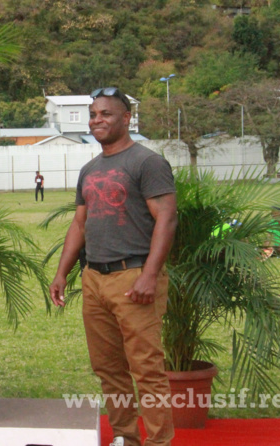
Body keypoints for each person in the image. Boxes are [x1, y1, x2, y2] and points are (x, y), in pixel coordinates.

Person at [48, 87, 177, 446]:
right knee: (108, 368)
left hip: (134, 275)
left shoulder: (147, 162)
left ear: (126, 118)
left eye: (105, 114)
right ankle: (125, 437)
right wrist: (63, 273)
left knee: (146, 367)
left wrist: (150, 274)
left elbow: (166, 219)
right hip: (95, 278)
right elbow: (79, 225)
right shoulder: (90, 169)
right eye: (93, 115)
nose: (97, 120)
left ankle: (158, 441)